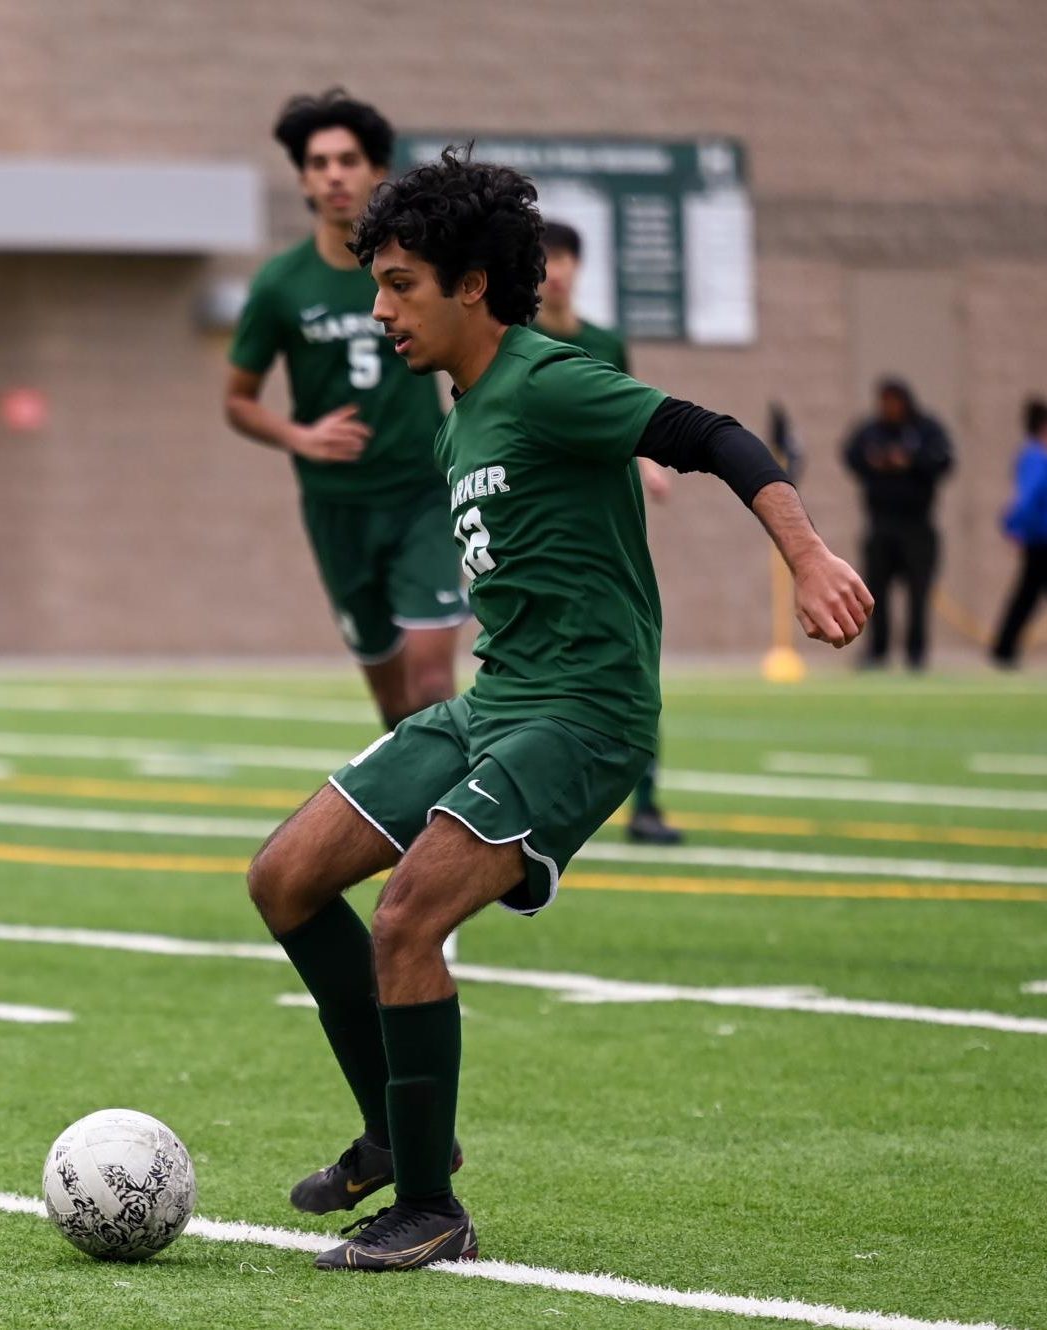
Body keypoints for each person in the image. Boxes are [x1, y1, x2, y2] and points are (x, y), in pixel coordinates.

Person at [246, 149, 873, 1272]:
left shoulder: (548, 378)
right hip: (498, 704)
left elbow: (713, 436)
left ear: (471, 285)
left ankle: (431, 1207)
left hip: (583, 714)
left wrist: (811, 552)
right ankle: (394, 1128)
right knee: (285, 876)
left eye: (399, 284)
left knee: (405, 917)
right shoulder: (459, 416)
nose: (380, 307)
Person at [225, 90, 468, 728]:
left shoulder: (416, 269)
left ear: (377, 171)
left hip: (424, 492)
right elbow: (238, 401)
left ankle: (449, 826)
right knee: (393, 704)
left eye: (348, 159)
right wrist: (299, 437)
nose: (335, 174)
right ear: (303, 178)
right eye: (319, 162)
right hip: (338, 508)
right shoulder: (281, 285)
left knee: (434, 681)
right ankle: (406, 817)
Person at [532, 219, 682, 846]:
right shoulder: (514, 345)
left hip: (610, 529)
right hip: (545, 533)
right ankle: (529, 805)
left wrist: (649, 463)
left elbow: (628, 415)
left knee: (633, 663)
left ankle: (645, 805)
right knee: (540, 670)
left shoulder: (605, 342)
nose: (557, 268)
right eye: (546, 258)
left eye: (566, 256)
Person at [842, 378, 954, 669]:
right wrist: (875, 462)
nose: (888, 408)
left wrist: (910, 461)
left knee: (918, 591)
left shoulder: (925, 429)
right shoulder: (871, 430)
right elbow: (850, 454)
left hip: (917, 525)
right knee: (875, 592)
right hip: (881, 524)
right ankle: (877, 652)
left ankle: (916, 654)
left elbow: (945, 460)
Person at [990, 397, 1047, 665]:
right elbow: (1027, 497)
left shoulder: (1032, 455)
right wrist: (1014, 524)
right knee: (1025, 596)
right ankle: (1003, 649)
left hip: (1038, 538)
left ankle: (1003, 649)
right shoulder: (1036, 456)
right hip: (1041, 539)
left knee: (1025, 595)